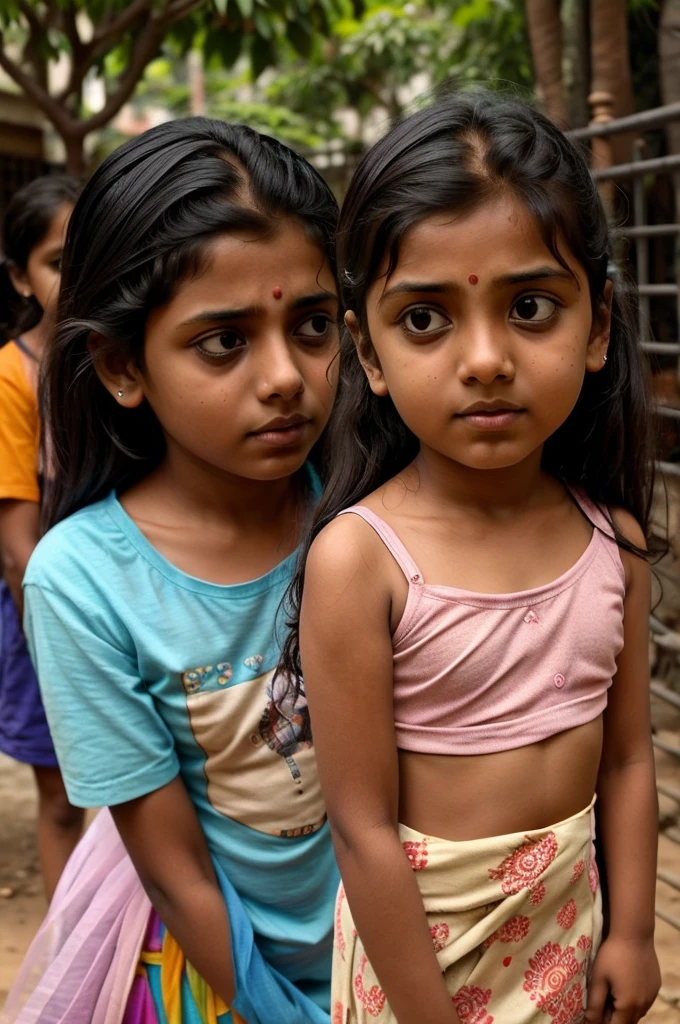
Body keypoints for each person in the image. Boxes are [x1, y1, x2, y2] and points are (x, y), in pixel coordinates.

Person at [282, 93, 661, 1024]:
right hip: (419, 970)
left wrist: (633, 932)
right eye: (426, 320)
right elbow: (363, 829)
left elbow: (625, 761)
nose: (486, 358)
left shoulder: (614, 544)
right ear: (367, 350)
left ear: (599, 324)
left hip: (566, 942)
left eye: (530, 307)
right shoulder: (360, 563)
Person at [6, 119, 340, 1024]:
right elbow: (176, 869)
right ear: (121, 365)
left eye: (312, 326)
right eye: (224, 341)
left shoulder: (365, 512)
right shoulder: (82, 585)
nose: (285, 377)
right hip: (218, 980)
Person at [0, 174, 83, 900]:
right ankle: (68, 967)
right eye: (59, 262)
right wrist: (63, 648)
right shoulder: (10, 376)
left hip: (124, 605)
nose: (78, 275)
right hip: (43, 618)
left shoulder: (117, 359)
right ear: (20, 275)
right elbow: (17, 541)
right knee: (62, 799)